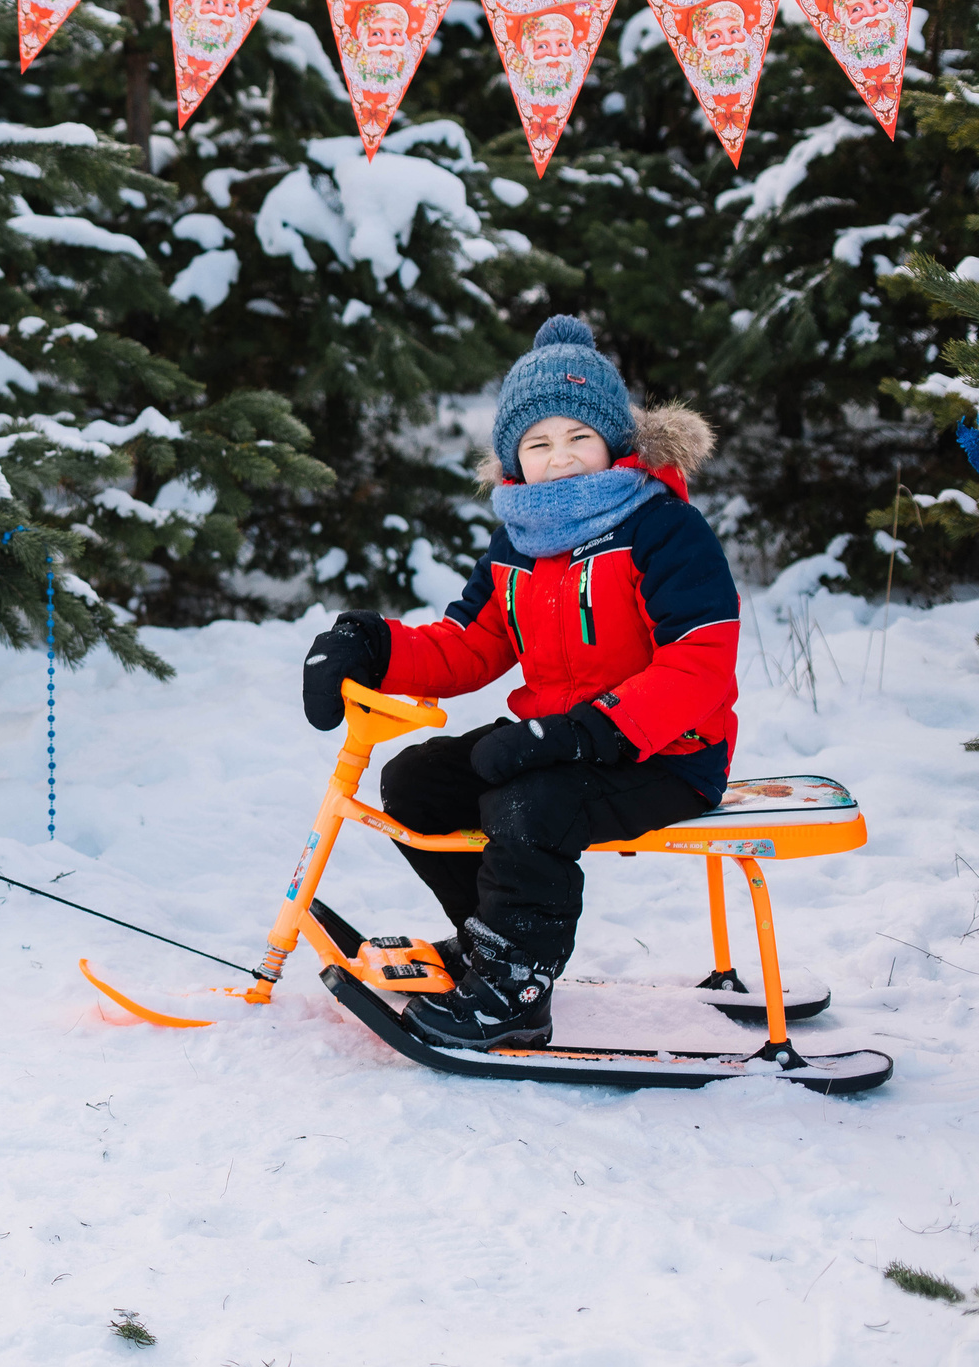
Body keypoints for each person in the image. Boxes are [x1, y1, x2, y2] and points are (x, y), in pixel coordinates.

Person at [298, 315, 736, 1049]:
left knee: (531, 800)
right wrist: (371, 642)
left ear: (615, 443)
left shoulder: (663, 529)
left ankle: (516, 993)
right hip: (556, 741)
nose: (560, 458)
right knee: (418, 782)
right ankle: (490, 940)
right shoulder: (519, 544)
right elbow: (472, 642)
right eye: (539, 443)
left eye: (578, 438)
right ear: (514, 459)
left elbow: (698, 664)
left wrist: (580, 731)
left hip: (662, 753)